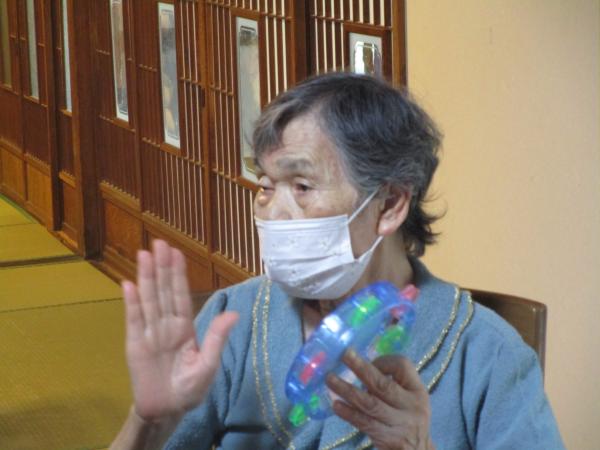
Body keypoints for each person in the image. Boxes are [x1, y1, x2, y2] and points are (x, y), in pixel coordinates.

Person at [110, 73, 564, 449]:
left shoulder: (487, 355)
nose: (272, 212)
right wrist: (147, 420)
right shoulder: (235, 318)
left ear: (389, 205)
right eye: (266, 186)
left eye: (302, 187)